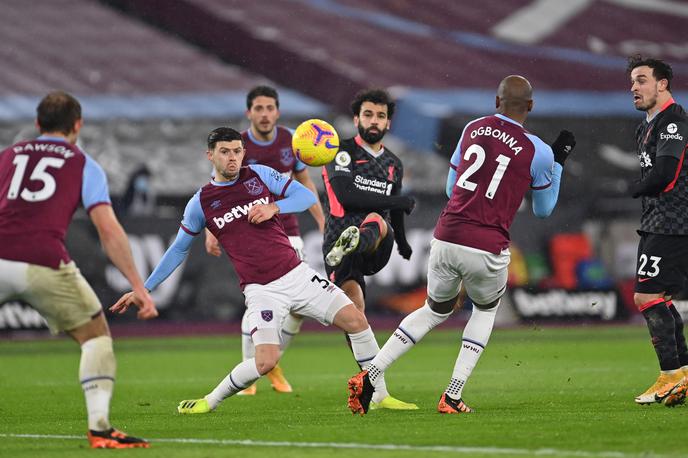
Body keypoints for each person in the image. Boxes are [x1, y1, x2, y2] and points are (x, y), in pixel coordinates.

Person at [111, 127, 385, 415]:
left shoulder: (259, 175)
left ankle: (380, 393)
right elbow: (178, 249)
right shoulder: (201, 203)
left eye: (237, 151)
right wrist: (144, 288)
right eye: (225, 152)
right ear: (210, 155)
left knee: (356, 319)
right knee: (266, 361)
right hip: (262, 291)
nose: (233, 158)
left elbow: (304, 196)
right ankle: (209, 401)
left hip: (298, 275)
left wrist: (274, 208)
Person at [347, 76, 576, 415]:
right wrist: (556, 164)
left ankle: (371, 374)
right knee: (484, 310)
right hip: (487, 244)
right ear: (530, 106)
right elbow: (543, 211)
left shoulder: (472, 128)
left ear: (496, 102)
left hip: (447, 235)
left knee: (434, 310)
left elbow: (451, 187)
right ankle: (452, 396)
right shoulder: (538, 150)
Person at [0, 91, 158, 448]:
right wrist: (138, 286)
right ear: (77, 125)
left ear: (38, 124)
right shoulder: (83, 163)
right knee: (95, 336)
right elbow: (107, 228)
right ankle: (100, 429)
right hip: (43, 260)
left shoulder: (8, 156)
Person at [205, 85, 326, 395]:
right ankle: (252, 371)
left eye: (269, 108)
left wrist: (322, 218)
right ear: (249, 113)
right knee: (261, 301)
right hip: (252, 233)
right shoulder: (236, 145)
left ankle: (270, 362)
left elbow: (303, 181)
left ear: (277, 111)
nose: (264, 114)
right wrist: (210, 229)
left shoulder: (291, 141)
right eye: (258, 108)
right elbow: (216, 188)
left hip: (288, 230)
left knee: (298, 308)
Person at [321, 88, 417, 411]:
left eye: (379, 115)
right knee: (355, 313)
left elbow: (394, 212)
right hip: (337, 240)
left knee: (376, 219)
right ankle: (375, 391)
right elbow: (346, 196)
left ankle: (358, 238)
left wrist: (402, 242)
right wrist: (396, 201)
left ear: (388, 122)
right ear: (356, 119)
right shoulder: (342, 151)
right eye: (367, 114)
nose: (373, 121)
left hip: (376, 241)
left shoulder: (393, 164)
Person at [627, 56, 688, 407]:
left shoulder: (673, 122)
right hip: (656, 221)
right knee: (659, 298)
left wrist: (636, 187)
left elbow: (666, 172)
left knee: (646, 296)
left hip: (674, 222)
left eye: (642, 80)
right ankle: (681, 374)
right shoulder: (645, 126)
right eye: (632, 82)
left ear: (662, 84)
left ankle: (669, 376)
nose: (634, 88)